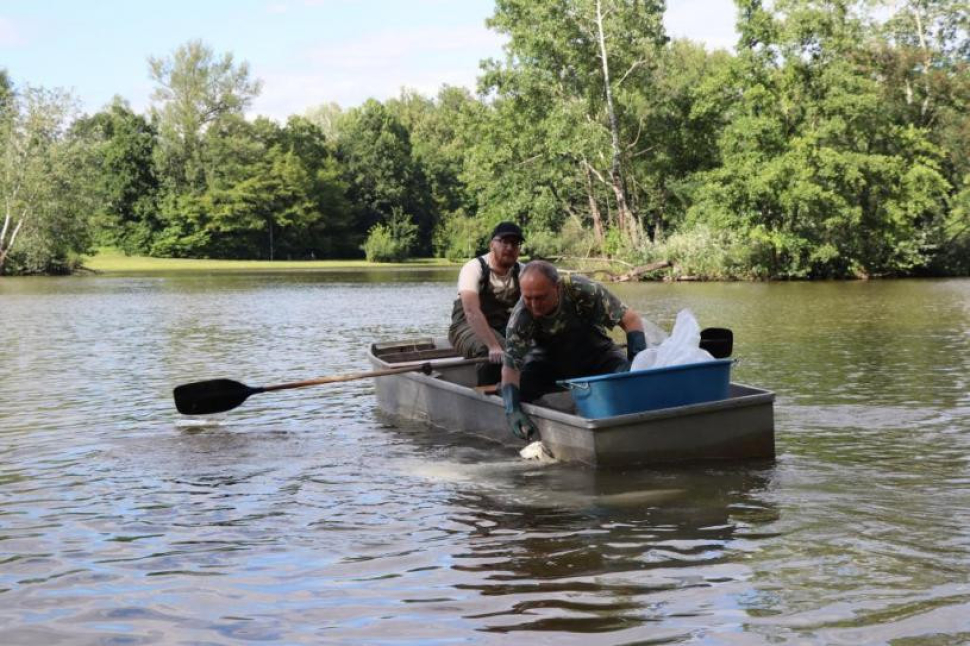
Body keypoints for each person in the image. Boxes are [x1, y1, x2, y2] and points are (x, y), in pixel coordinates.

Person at [500, 260, 647, 440]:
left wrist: (637, 366)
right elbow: (510, 367)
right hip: (548, 364)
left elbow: (631, 320)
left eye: (540, 297)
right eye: (527, 298)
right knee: (514, 393)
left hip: (597, 355)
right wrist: (512, 410)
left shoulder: (582, 290)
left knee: (629, 378)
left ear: (558, 287)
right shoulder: (520, 317)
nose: (534, 305)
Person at [448, 221, 525, 386]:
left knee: (534, 352)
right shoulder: (474, 268)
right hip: (466, 326)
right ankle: (487, 397)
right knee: (498, 353)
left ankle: (526, 393)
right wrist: (493, 346)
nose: (510, 248)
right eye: (504, 242)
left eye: (515, 243)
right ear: (492, 245)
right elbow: (471, 311)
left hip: (502, 328)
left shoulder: (523, 272)